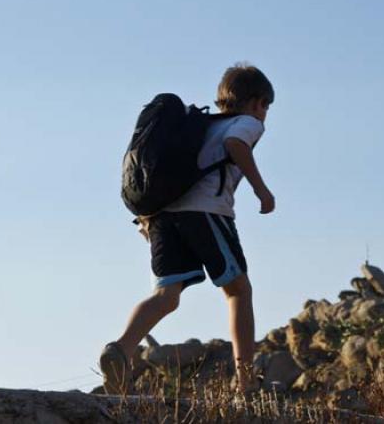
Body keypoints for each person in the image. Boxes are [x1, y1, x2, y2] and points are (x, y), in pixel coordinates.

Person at [99, 63, 275, 396]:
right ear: (256, 102)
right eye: (265, 106)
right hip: (206, 212)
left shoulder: (202, 125)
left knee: (166, 296)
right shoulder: (247, 123)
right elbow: (238, 145)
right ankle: (246, 381)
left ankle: (121, 348)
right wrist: (261, 189)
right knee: (239, 290)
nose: (265, 114)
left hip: (163, 215)